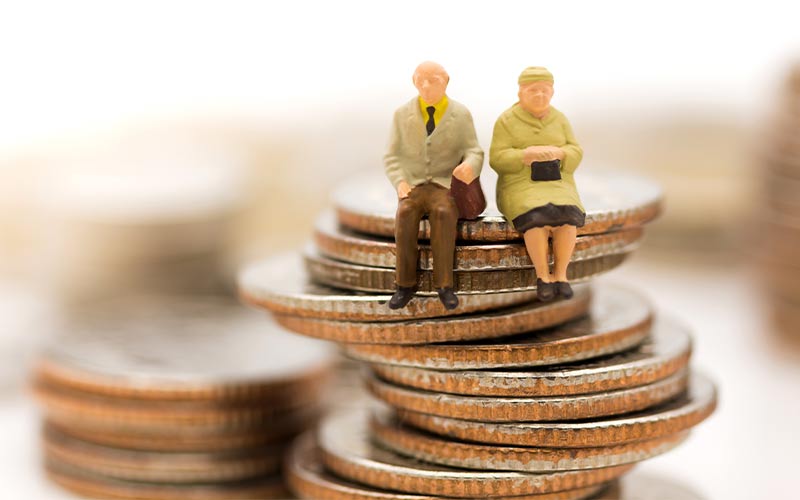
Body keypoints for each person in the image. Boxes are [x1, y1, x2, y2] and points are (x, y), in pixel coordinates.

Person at [384, 61, 484, 310]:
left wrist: (471, 165)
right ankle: (404, 284)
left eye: (434, 80)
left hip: (444, 184)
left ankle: (445, 285)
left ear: (446, 81)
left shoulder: (460, 114)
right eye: (422, 81)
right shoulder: (401, 115)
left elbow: (474, 149)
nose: (427, 86)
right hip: (414, 185)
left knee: (444, 213)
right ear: (414, 82)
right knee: (405, 213)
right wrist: (400, 181)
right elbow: (391, 155)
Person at [489, 66, 584, 302]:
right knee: (537, 219)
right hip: (521, 183)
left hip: (557, 181)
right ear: (521, 93)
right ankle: (543, 276)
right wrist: (525, 155)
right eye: (533, 91)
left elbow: (576, 149)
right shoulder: (507, 120)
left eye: (544, 91)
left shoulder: (560, 119)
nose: (540, 96)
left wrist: (561, 153)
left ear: (552, 93)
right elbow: (496, 158)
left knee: (567, 218)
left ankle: (561, 275)